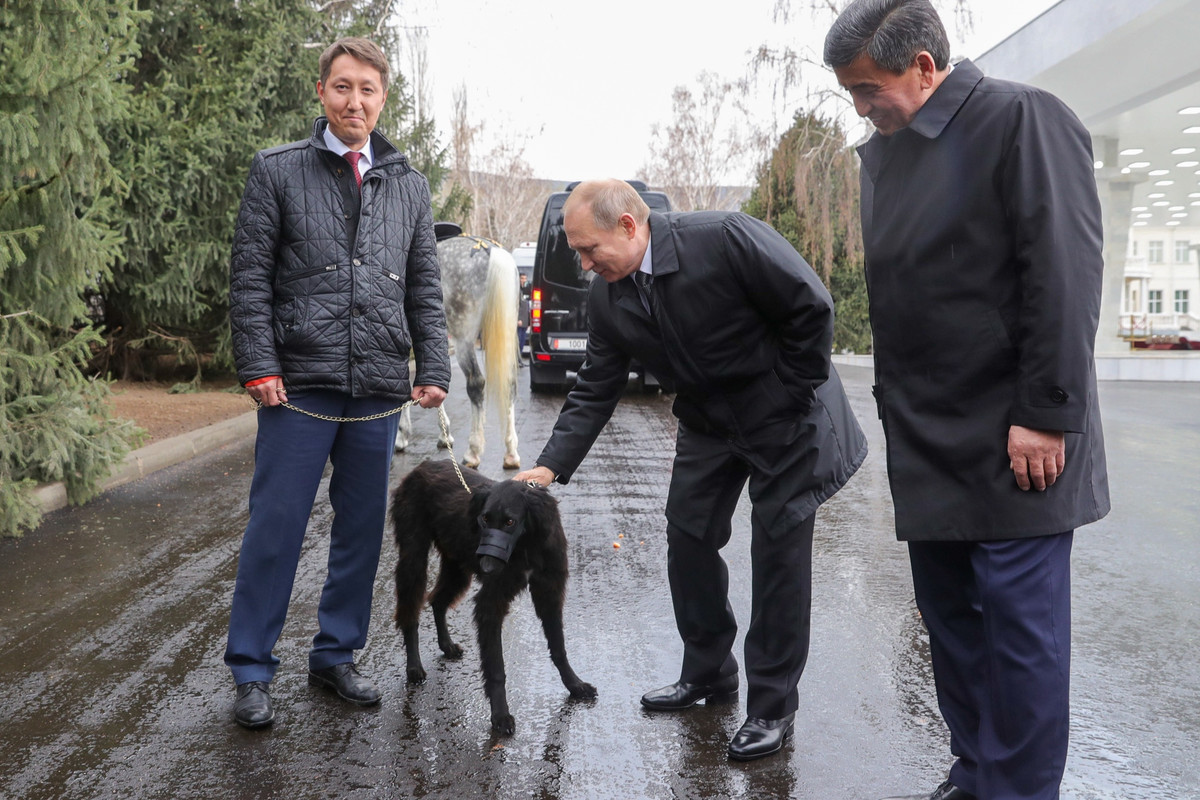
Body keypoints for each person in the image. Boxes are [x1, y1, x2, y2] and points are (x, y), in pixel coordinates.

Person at [824, 2, 1110, 798]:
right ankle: (979, 770)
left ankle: (1017, 788)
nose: (860, 106)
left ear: (923, 64)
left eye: (868, 87)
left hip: (1017, 435)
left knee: (1020, 640)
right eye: (848, 92)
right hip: (929, 439)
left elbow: (1063, 273)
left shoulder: (1023, 120)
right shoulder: (889, 151)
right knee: (951, 628)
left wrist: (1047, 413)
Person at [514, 179, 867, 761]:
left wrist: (788, 391)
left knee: (777, 549)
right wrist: (549, 467)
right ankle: (709, 672)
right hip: (709, 421)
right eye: (576, 252)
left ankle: (773, 706)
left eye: (587, 249)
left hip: (787, 413)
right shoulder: (608, 295)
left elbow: (811, 307)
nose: (582, 264)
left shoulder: (724, 239)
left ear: (629, 225)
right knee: (688, 535)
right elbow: (596, 389)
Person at [224, 36, 450, 729]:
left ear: (383, 100)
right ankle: (253, 670)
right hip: (297, 384)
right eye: (343, 87)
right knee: (277, 527)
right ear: (321, 92)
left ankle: (336, 656)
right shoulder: (277, 171)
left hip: (379, 386)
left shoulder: (408, 184)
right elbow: (250, 276)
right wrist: (259, 363)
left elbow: (423, 286)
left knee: (359, 531)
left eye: (369, 90)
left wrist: (433, 366)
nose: (356, 101)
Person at [517, 271, 531, 360]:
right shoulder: (516, 290)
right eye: (522, 278)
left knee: (522, 341)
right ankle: (516, 359)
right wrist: (518, 319)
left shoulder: (527, 290)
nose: (524, 280)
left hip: (525, 320)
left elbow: (529, 305)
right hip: (519, 321)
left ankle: (519, 358)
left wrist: (529, 321)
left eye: (525, 279)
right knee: (518, 341)